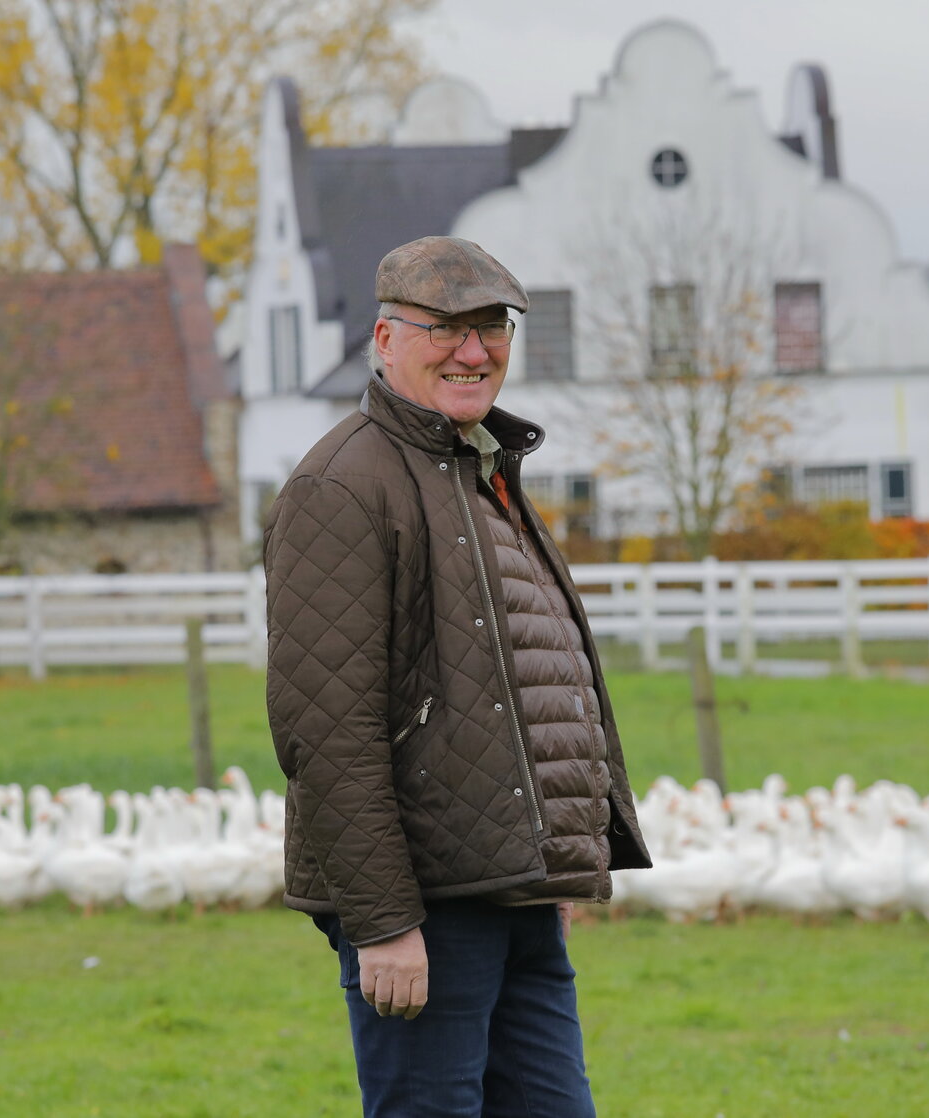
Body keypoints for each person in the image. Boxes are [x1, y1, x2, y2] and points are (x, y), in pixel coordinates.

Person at [264, 235, 652, 1117]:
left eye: (491, 328)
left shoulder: (478, 470)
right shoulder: (343, 487)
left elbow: (514, 684)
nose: (473, 352)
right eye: (444, 328)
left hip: (511, 892)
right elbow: (326, 729)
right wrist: (384, 923)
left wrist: (547, 865)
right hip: (427, 906)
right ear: (385, 339)